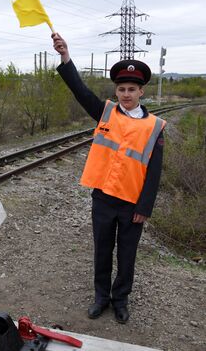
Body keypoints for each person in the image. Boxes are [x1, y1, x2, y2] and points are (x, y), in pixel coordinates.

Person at [51, 33, 165, 324]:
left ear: (141, 92)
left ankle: (121, 300)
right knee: (102, 251)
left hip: (131, 205)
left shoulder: (155, 127)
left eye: (131, 89)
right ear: (116, 91)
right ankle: (101, 297)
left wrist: (144, 208)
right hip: (103, 198)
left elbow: (154, 172)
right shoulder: (105, 112)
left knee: (127, 256)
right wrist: (66, 56)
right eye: (121, 89)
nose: (126, 94)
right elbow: (79, 90)